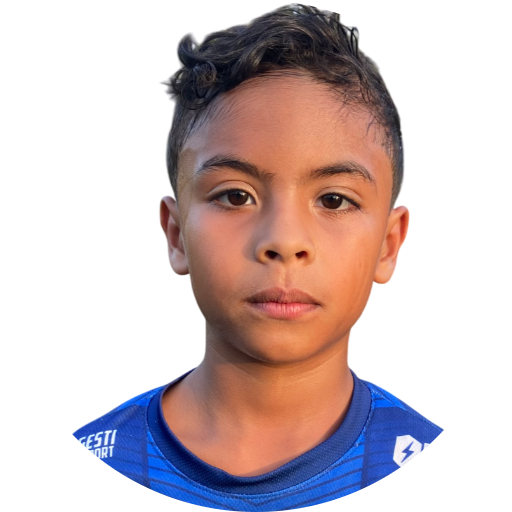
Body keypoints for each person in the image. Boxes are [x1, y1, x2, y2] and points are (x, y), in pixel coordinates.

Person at [73, 4, 442, 507]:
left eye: (334, 200)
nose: (284, 240)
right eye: (235, 196)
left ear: (388, 244)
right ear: (177, 235)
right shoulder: (108, 454)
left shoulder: (408, 450)